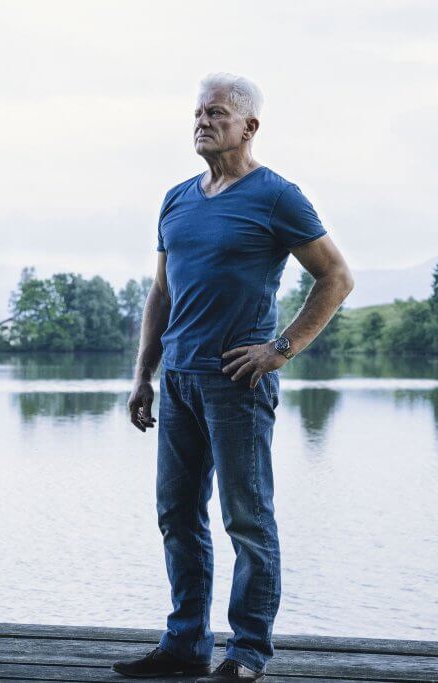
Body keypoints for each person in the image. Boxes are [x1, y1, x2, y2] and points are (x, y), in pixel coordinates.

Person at [112, 72, 354, 682]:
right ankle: (185, 645)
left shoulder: (277, 196)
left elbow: (336, 277)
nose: (202, 122)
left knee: (247, 519)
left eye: (216, 113)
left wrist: (281, 349)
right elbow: (161, 293)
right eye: (198, 113)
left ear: (249, 126)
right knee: (177, 514)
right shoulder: (176, 199)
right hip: (178, 381)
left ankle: (247, 653)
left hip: (236, 384)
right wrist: (143, 375)